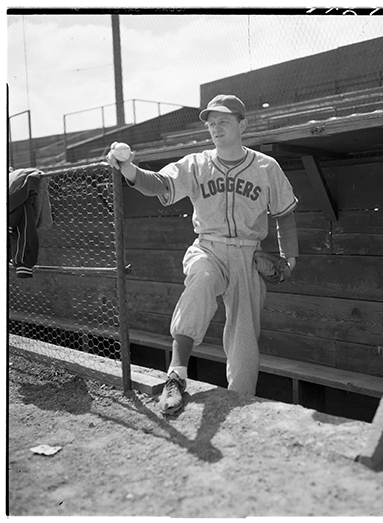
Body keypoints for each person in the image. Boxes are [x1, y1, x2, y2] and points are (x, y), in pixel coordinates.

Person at [106, 94, 299, 415]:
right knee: (201, 282)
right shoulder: (196, 164)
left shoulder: (267, 167)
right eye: (211, 123)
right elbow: (159, 184)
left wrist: (289, 258)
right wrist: (129, 169)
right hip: (208, 246)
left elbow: (285, 214)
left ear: (243, 124)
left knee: (245, 334)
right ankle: (176, 376)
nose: (216, 128)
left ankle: (241, 399)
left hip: (248, 254)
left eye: (223, 121)